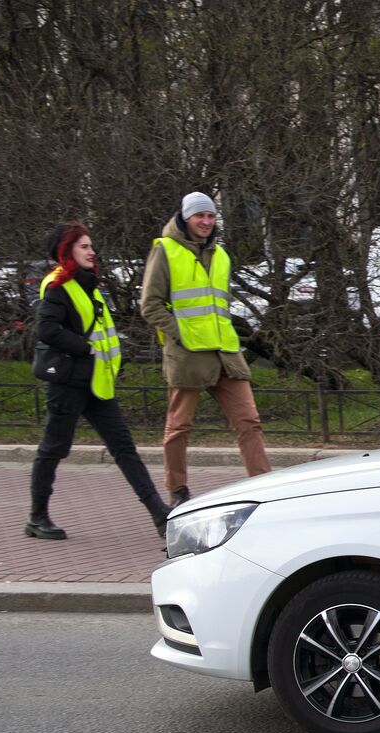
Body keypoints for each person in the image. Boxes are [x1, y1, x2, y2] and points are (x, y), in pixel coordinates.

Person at [26, 222, 172, 540]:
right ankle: (37, 518)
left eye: (91, 246)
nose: (92, 252)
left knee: (125, 449)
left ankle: (160, 515)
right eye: (84, 246)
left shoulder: (89, 284)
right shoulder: (57, 286)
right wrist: (85, 348)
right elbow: (46, 330)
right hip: (67, 384)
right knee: (54, 449)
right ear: (67, 251)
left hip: (97, 384)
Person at [141, 192, 271, 505]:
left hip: (225, 351)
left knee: (249, 422)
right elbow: (150, 305)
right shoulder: (165, 250)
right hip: (187, 354)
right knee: (179, 427)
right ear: (186, 218)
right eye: (200, 216)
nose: (206, 222)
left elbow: (218, 306)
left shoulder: (222, 255)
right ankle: (178, 492)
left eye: (211, 216)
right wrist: (180, 334)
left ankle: (266, 487)